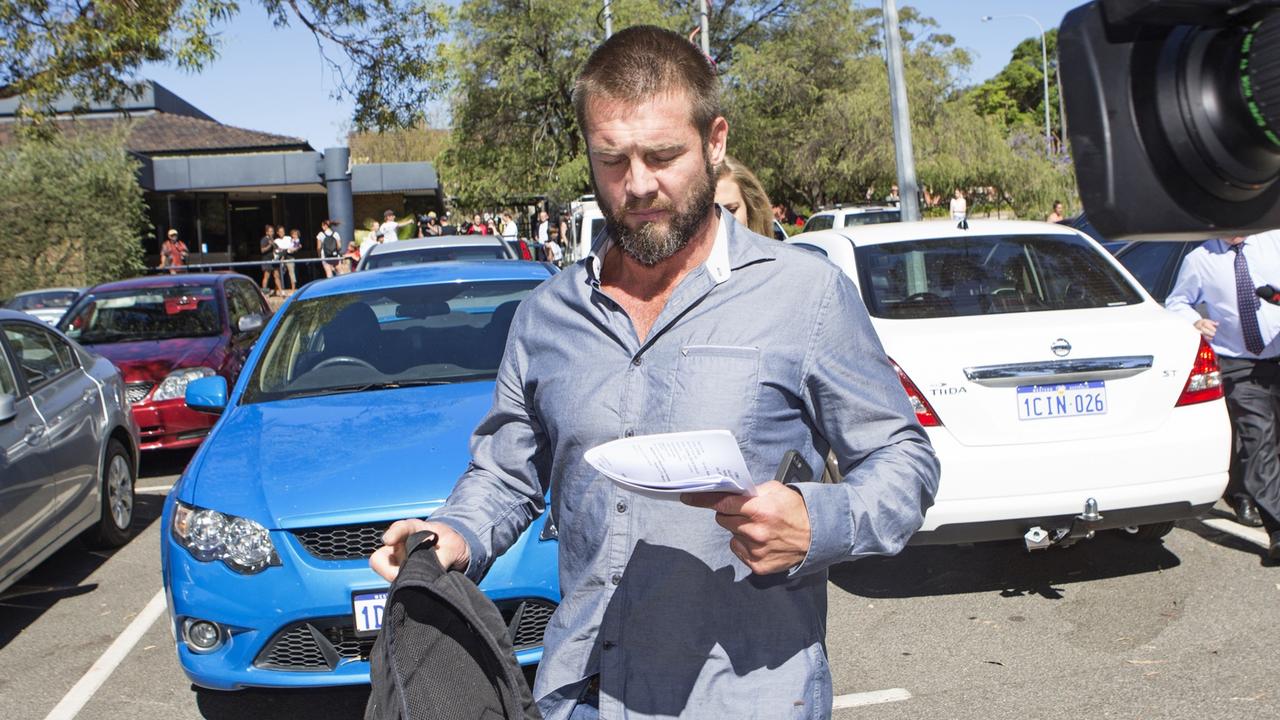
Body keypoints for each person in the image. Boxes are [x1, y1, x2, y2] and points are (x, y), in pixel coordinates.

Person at [371, 25, 939, 719]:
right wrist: (453, 534)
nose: (638, 186)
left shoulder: (804, 294)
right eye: (613, 160)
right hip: (583, 695)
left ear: (716, 140)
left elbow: (903, 461)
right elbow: (506, 472)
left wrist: (818, 522)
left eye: (663, 155)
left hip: (749, 698)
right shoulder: (547, 315)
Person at [1165, 230, 1280, 560]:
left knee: (1273, 442)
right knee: (1258, 440)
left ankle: (1242, 491)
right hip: (1238, 363)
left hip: (1278, 354)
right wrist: (1195, 320)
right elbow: (1177, 301)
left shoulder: (1274, 242)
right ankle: (1278, 529)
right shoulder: (1199, 259)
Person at [714, 155, 773, 238]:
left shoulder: (775, 250)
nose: (723, 222)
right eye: (710, 216)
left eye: (731, 210)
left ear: (749, 210)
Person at [259, 224, 283, 295]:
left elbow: (276, 249)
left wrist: (279, 250)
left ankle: (281, 291)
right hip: (266, 260)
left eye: (272, 231)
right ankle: (264, 292)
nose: (272, 233)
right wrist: (269, 245)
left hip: (274, 260)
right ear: (267, 232)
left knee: (277, 275)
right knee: (267, 276)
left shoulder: (273, 239)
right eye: (270, 231)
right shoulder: (264, 239)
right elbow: (262, 250)